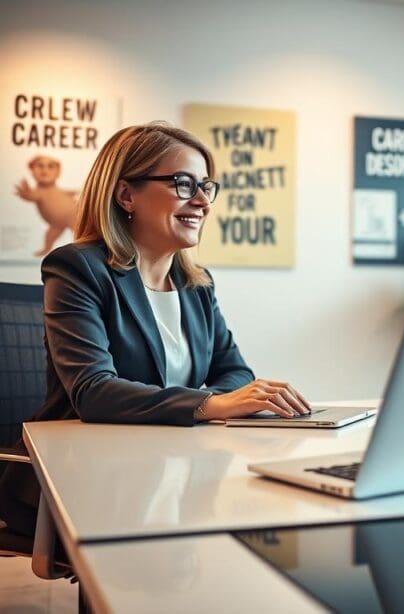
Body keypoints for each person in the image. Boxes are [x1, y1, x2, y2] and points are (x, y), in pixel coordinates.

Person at [0, 122, 311, 536]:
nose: (202, 201)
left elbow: (234, 372)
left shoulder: (196, 284)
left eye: (206, 186)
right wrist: (210, 405)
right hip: (82, 479)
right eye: (183, 184)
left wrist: (217, 400)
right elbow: (93, 392)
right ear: (126, 194)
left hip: (169, 469)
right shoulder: (78, 268)